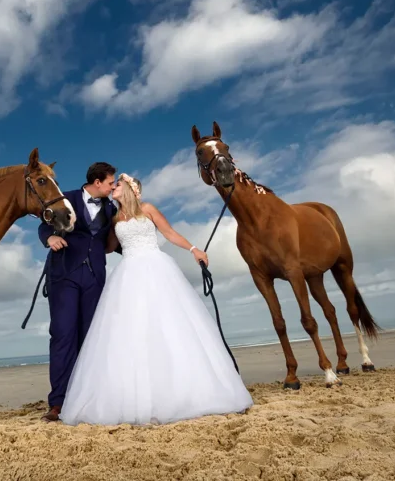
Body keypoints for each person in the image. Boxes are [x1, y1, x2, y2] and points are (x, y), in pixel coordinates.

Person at [58, 173, 253, 426]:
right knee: (130, 332)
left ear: (130, 188)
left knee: (166, 325)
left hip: (155, 268)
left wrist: (194, 250)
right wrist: (80, 239)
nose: (113, 188)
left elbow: (169, 233)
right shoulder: (115, 217)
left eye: (117, 185)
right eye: (112, 184)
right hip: (127, 274)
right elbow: (106, 247)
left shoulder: (147, 209)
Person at [37, 161, 121, 422]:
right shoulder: (67, 199)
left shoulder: (111, 208)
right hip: (64, 274)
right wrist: (49, 239)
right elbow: (44, 225)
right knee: (62, 334)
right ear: (98, 182)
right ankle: (58, 402)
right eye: (110, 182)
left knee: (90, 338)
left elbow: (113, 242)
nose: (113, 186)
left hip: (95, 276)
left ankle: (88, 397)